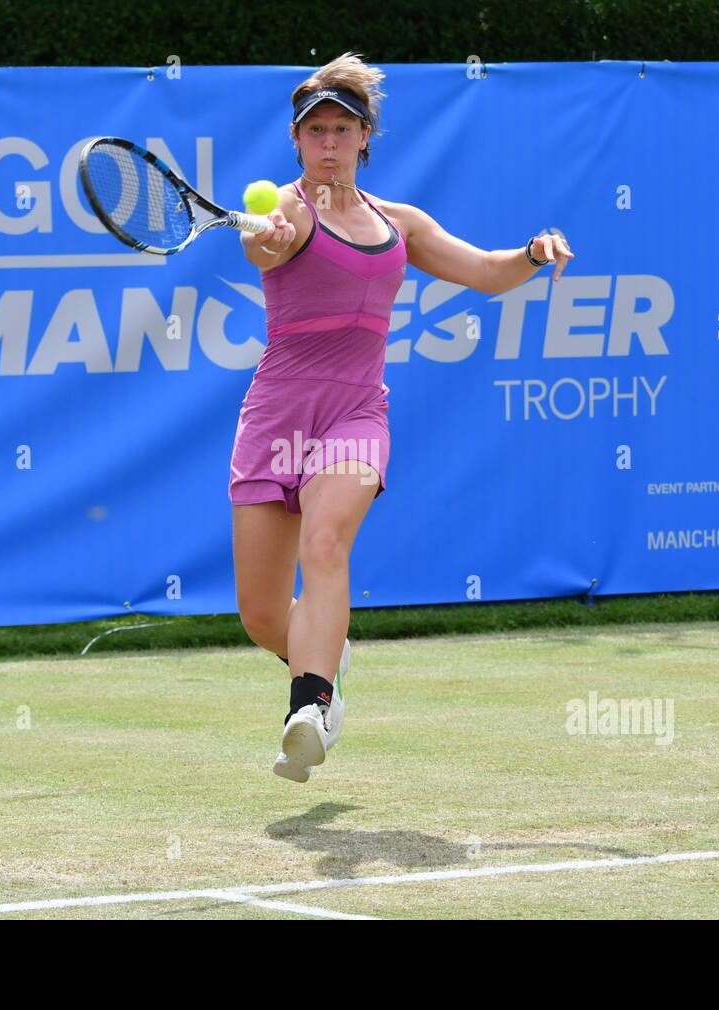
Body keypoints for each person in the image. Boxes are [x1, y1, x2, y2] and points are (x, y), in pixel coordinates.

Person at [229, 52, 575, 782]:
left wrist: (532, 253)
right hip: (276, 417)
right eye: (314, 130)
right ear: (296, 142)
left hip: (356, 412)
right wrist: (265, 239)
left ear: (364, 139)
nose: (327, 142)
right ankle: (327, 654)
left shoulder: (400, 223)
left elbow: (484, 271)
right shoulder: (286, 208)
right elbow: (272, 240)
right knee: (262, 615)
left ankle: (312, 704)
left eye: (341, 129)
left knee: (325, 542)